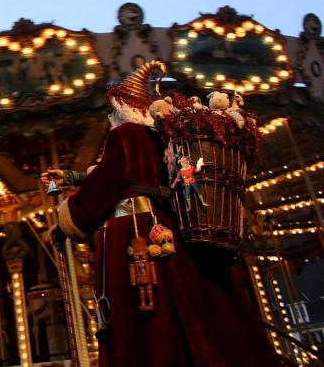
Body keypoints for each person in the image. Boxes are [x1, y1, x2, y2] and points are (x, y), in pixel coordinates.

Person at [47, 60, 281, 367]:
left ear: (122, 108)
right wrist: (74, 176)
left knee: (140, 323)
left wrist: (66, 221)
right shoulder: (163, 138)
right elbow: (130, 175)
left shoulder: (126, 135)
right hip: (168, 226)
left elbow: (107, 183)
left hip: (133, 230)